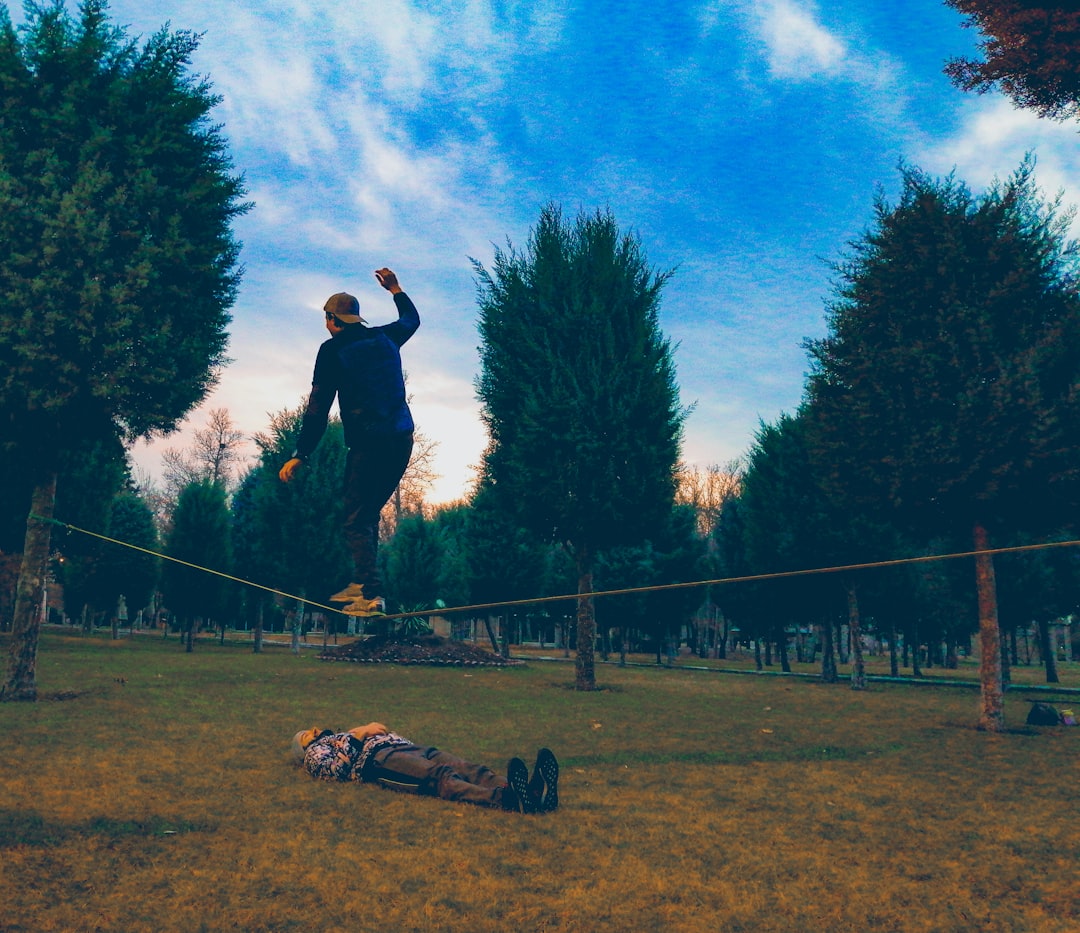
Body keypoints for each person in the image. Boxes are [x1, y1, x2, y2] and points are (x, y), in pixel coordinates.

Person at [278, 268, 419, 616]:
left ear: (331, 319)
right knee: (365, 514)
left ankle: (371, 595)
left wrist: (301, 454)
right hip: (402, 440)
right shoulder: (386, 338)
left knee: (356, 517)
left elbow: (317, 409)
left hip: (369, 445)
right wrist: (396, 289)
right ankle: (364, 583)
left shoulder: (332, 351)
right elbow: (411, 320)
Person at [291, 722, 560, 815]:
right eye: (306, 735)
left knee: (466, 767)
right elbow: (336, 772)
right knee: (439, 776)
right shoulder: (314, 755)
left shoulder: (337, 735)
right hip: (379, 760)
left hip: (407, 747)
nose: (313, 730)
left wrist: (374, 730)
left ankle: (531, 793)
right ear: (303, 748)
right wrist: (360, 734)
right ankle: (507, 799)